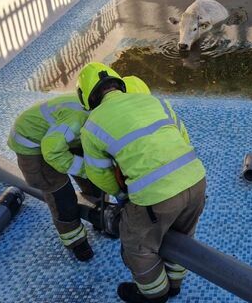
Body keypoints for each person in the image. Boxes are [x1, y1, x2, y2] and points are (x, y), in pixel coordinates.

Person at [77, 63, 206, 303]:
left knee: (138, 246)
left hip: (154, 196)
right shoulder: (155, 101)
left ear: (86, 96)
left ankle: (155, 294)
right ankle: (175, 285)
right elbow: (183, 137)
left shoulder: (92, 124)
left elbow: (98, 174)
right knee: (184, 236)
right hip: (196, 180)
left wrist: (122, 195)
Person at [7, 93, 100, 261]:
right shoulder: (78, 118)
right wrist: (86, 170)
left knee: (96, 182)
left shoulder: (100, 113)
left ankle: (100, 217)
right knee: (62, 196)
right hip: (33, 143)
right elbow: (52, 151)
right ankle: (76, 241)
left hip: (63, 135)